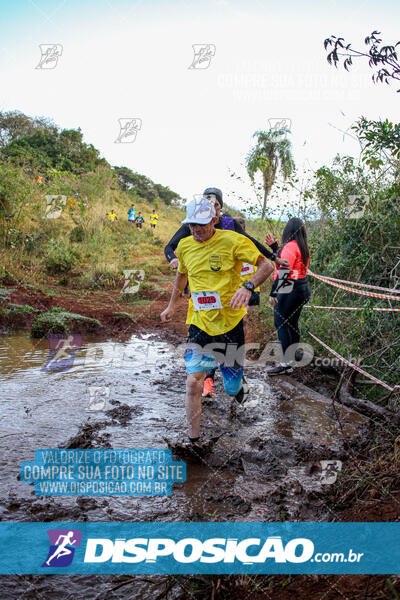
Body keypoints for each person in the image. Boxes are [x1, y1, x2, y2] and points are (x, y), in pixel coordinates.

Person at [160, 198, 274, 444]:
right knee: (193, 382)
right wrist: (171, 305)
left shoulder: (233, 241)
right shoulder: (185, 246)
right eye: (191, 225)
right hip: (199, 324)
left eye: (201, 224)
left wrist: (248, 285)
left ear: (214, 220)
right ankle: (194, 441)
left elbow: (267, 266)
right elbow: (181, 277)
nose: (196, 230)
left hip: (230, 325)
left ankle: (235, 382)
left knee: (232, 388)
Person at [164, 187, 289, 399]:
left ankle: (234, 379)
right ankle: (207, 380)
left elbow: (254, 245)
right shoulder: (192, 228)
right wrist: (173, 261)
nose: (197, 227)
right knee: (197, 370)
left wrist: (273, 257)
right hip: (201, 313)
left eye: (214, 204)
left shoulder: (231, 229)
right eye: (206, 202)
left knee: (238, 335)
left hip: (232, 301)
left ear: (218, 211)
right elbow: (171, 247)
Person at [267, 217, 311, 375]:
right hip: (301, 286)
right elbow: (287, 263)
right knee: (292, 322)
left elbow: (284, 271)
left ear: (288, 231)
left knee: (282, 323)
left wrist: (274, 292)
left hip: (290, 286)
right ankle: (292, 354)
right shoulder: (301, 246)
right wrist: (275, 249)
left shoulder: (291, 247)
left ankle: (286, 363)